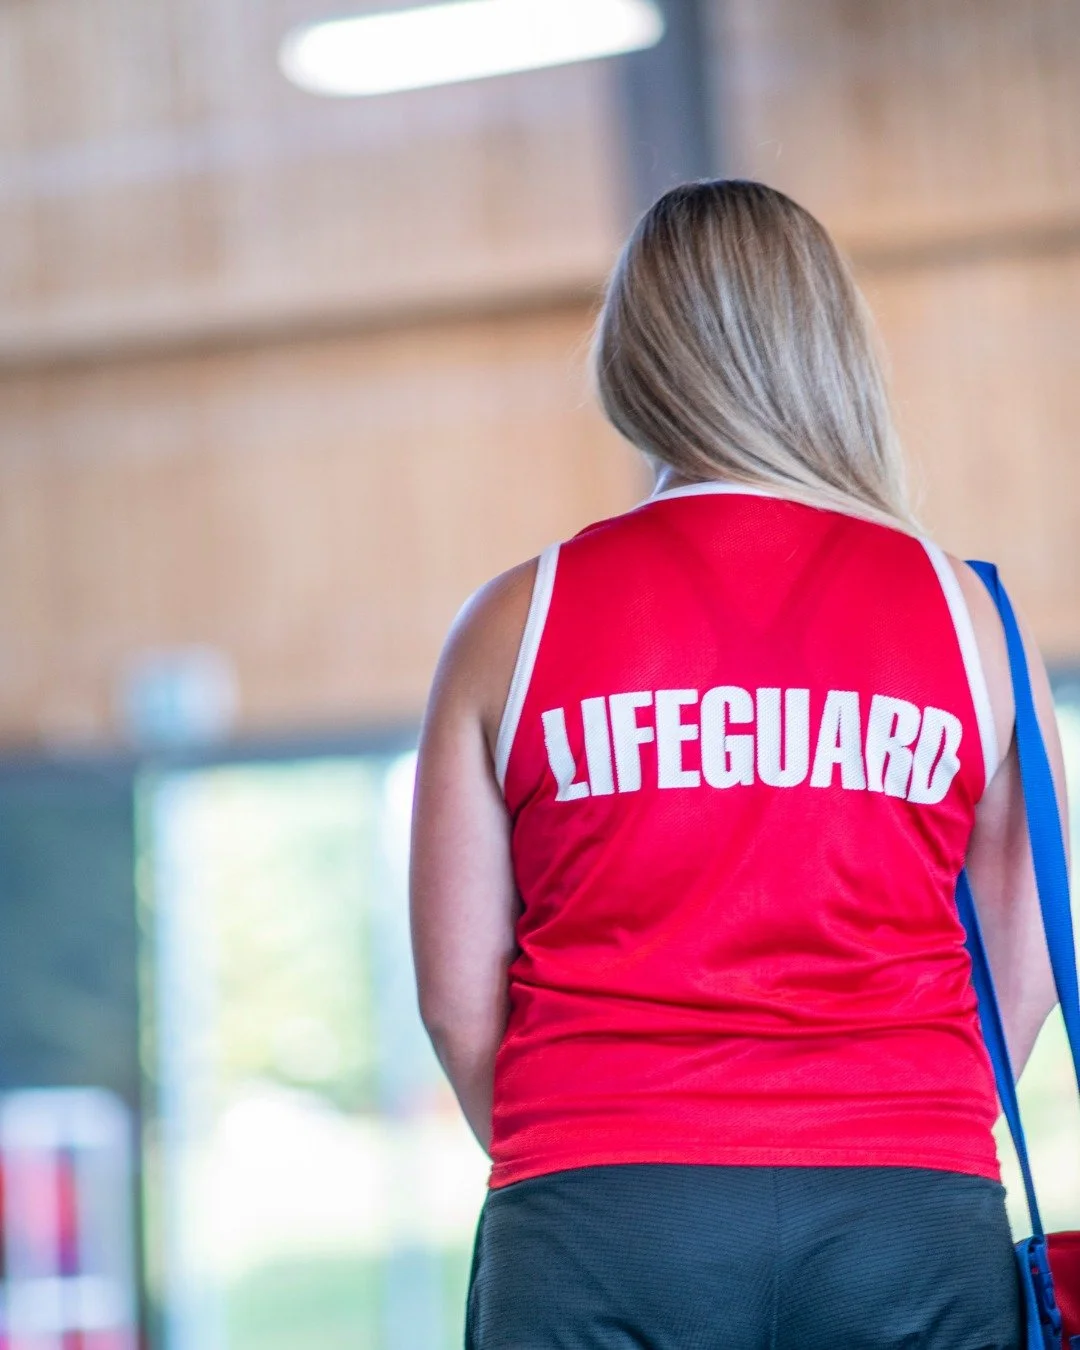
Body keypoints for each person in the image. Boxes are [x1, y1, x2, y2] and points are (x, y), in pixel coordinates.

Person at [409, 179, 1068, 1350]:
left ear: (635, 356)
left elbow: (462, 1007)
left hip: (601, 1206)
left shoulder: (513, 621)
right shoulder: (968, 617)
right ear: (832, 348)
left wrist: (581, 1164)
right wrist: (900, 1125)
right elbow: (1017, 966)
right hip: (903, 1204)